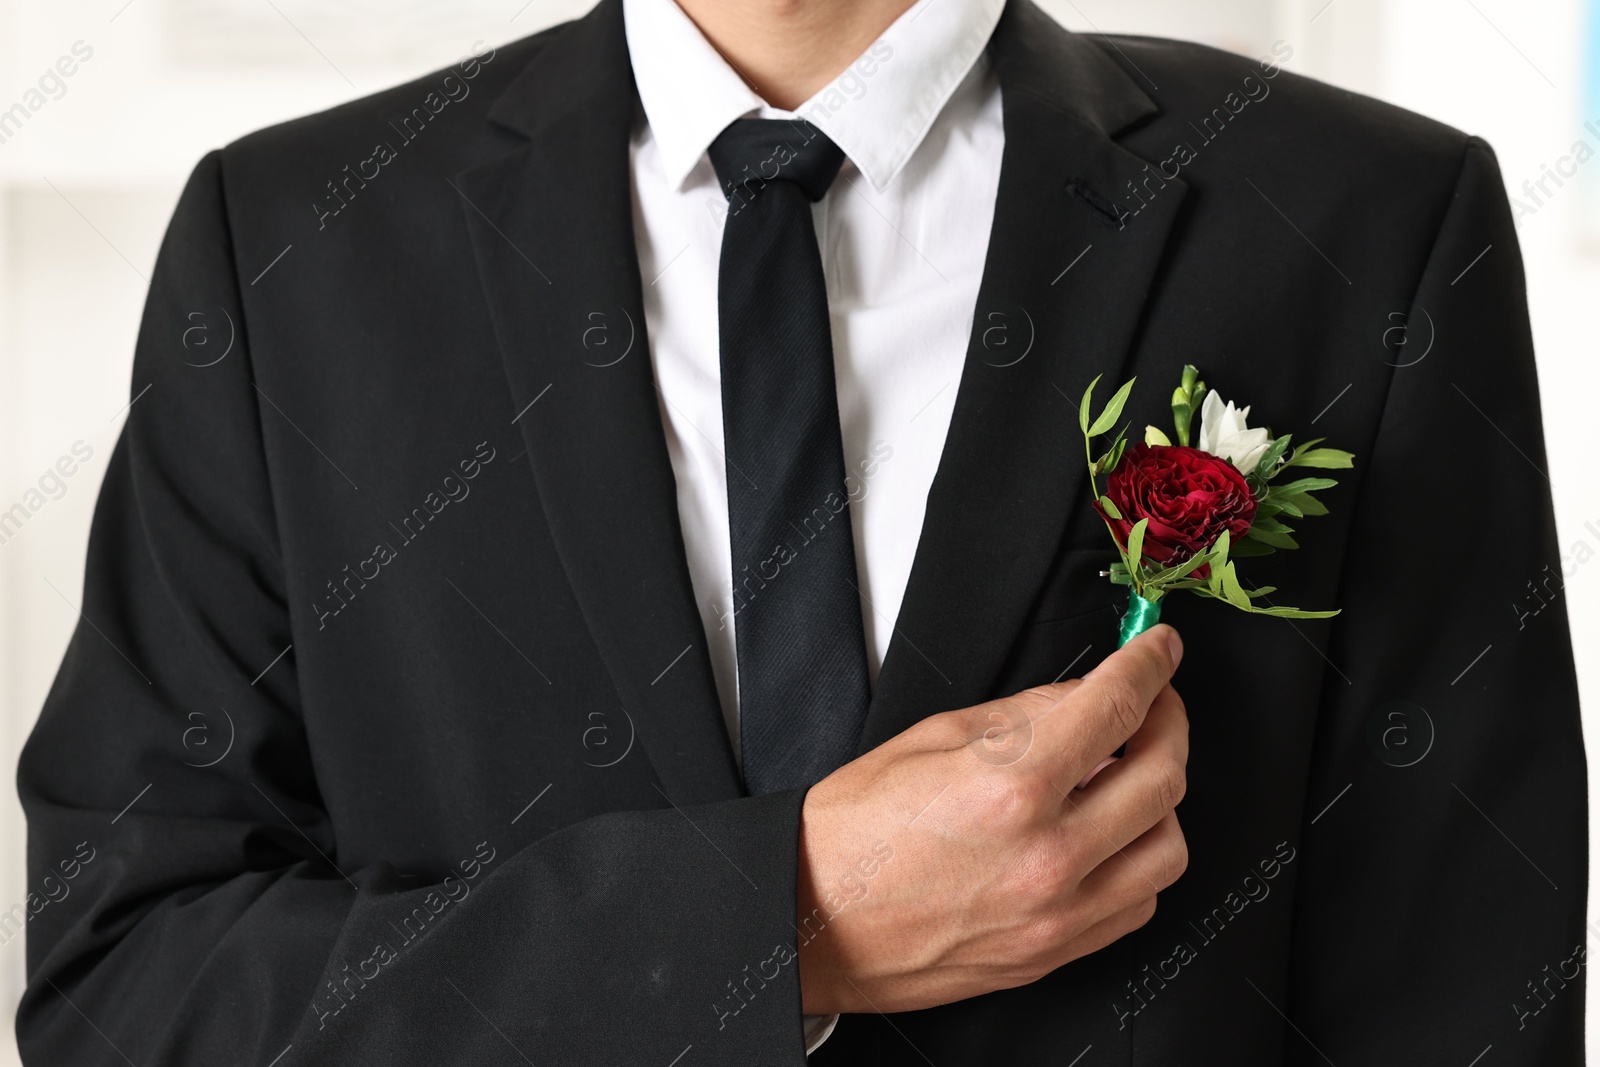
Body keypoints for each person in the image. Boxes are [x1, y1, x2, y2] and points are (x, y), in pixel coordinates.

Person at [16, 0, 1585, 1062]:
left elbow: (1463, 1001)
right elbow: (129, 991)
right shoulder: (297, 246)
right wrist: (782, 920)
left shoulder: (1363, 219)